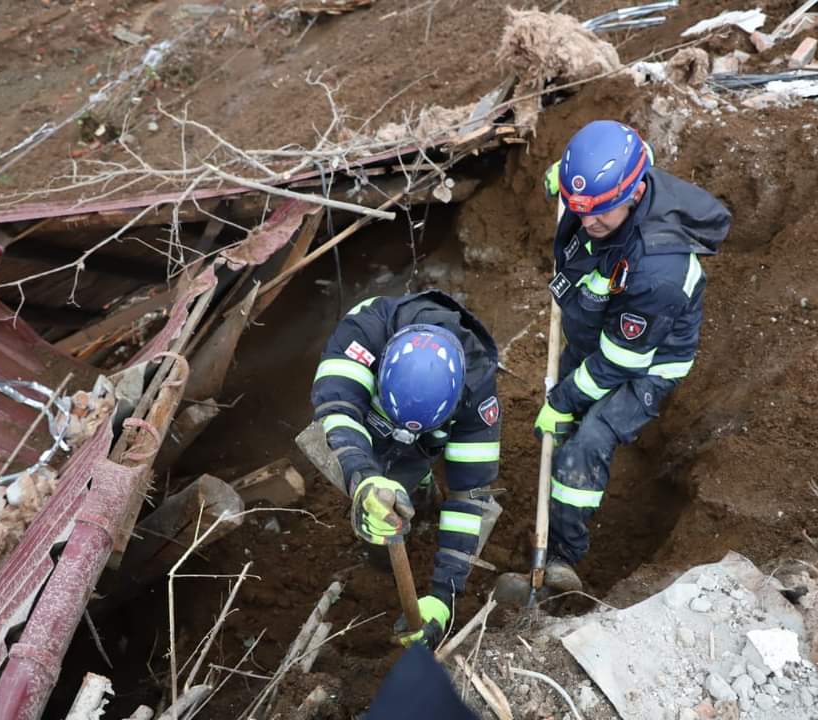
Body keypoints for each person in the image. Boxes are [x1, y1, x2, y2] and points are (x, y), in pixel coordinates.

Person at [535, 120, 731, 591]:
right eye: (579, 209)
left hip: (644, 363)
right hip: (598, 331)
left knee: (586, 442)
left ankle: (561, 559)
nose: (587, 222)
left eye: (599, 213)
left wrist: (563, 400)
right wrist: (562, 184)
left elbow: (620, 363)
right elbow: (576, 183)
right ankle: (563, 451)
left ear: (634, 191)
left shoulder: (657, 269)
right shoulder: (600, 183)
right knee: (566, 415)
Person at [310, 291, 502, 648]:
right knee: (375, 532)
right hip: (369, 426)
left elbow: (471, 495)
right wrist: (363, 479)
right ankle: (391, 494)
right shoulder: (361, 333)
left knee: (413, 466)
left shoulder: (477, 392)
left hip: (422, 444)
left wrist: (445, 596)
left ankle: (421, 483)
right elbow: (335, 407)